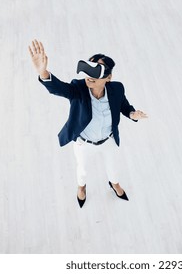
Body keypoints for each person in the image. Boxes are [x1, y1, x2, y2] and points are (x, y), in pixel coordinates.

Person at [28, 39, 148, 208]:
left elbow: (124, 106)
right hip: (84, 143)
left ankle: (114, 184)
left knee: (112, 167)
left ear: (108, 78)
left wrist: (132, 114)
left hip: (108, 141)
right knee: (82, 170)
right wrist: (43, 73)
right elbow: (59, 88)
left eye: (95, 73)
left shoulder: (117, 89)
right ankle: (81, 187)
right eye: (88, 72)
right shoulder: (78, 88)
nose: (89, 77)